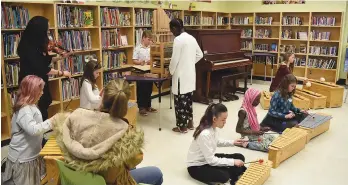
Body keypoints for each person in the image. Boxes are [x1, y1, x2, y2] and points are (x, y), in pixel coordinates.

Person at [52, 79, 163, 185]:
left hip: (80, 177)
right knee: (157, 173)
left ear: (101, 94)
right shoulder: (125, 133)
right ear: (125, 104)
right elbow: (135, 160)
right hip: (109, 181)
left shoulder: (76, 116)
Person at [2, 75, 55, 185]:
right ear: (32, 91)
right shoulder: (25, 109)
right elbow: (33, 130)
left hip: (29, 155)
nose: (42, 93)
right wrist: (52, 121)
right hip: (22, 157)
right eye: (40, 90)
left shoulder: (31, 106)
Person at [18, 16, 72, 121]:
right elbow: (42, 68)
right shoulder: (28, 48)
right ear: (39, 31)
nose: (48, 33)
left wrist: (61, 57)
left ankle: (41, 133)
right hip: (31, 84)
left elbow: (44, 60)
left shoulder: (36, 44)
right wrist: (62, 73)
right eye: (46, 30)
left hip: (39, 82)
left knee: (44, 105)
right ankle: (38, 134)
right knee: (35, 111)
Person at [187, 103, 246, 185]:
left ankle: (232, 171)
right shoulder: (205, 134)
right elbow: (211, 161)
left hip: (208, 159)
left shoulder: (212, 127)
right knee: (224, 176)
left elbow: (216, 141)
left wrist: (233, 142)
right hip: (197, 167)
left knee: (239, 157)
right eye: (223, 120)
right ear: (214, 119)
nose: (225, 122)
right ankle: (231, 172)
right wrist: (232, 162)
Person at [169, 18, 203, 133]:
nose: (172, 34)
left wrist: (170, 71)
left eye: (172, 31)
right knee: (188, 100)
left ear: (174, 28)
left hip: (180, 77)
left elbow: (174, 60)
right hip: (190, 75)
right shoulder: (191, 38)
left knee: (180, 102)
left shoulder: (178, 40)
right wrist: (189, 62)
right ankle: (190, 123)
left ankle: (181, 126)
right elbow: (200, 54)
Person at [132, 30, 157, 116]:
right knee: (141, 89)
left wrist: (152, 61)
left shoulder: (151, 48)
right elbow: (134, 60)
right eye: (148, 39)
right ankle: (141, 107)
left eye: (150, 40)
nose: (150, 41)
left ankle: (148, 106)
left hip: (149, 71)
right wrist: (139, 62)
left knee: (149, 88)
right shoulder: (137, 48)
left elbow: (155, 58)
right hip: (140, 72)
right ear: (143, 38)